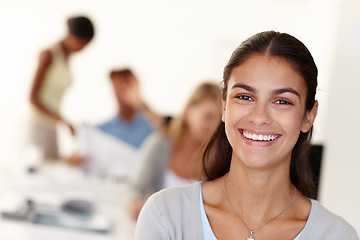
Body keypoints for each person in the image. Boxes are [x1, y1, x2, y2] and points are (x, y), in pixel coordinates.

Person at [134, 31, 359, 239]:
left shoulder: (337, 235)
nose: (259, 117)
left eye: (282, 101)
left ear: (308, 116)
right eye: (245, 97)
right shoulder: (165, 215)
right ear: (224, 108)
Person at [127, 82, 222, 221]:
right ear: (189, 110)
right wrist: (133, 204)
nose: (213, 126)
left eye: (218, 120)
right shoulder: (159, 146)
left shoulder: (220, 157)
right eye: (208, 117)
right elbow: (134, 188)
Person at [26, 16, 94, 160]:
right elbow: (32, 98)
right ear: (72, 36)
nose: (82, 49)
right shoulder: (49, 54)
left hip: (52, 125)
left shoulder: (67, 57)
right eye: (82, 44)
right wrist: (63, 120)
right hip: (38, 123)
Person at [66, 68, 164, 167]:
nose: (122, 93)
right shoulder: (102, 130)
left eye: (126, 87)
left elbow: (169, 129)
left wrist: (139, 102)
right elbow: (83, 150)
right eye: (117, 88)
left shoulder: (152, 126)